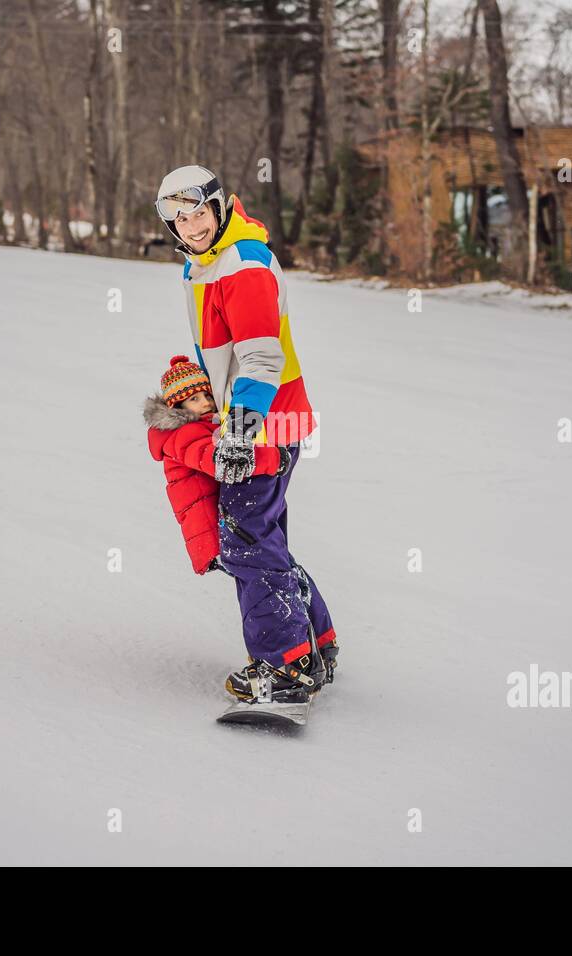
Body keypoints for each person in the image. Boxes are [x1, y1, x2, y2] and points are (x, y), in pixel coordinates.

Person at [153, 164, 338, 706]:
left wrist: (237, 431)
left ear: (220, 206)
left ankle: (286, 666)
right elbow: (225, 352)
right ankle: (315, 644)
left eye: (198, 213)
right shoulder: (205, 264)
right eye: (178, 219)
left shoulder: (242, 265)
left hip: (261, 423)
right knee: (263, 537)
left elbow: (260, 355)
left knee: (245, 541)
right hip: (262, 419)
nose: (190, 226)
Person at [143, 355, 288, 576]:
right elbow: (219, 460)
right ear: (177, 406)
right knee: (260, 572)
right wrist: (273, 458)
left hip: (214, 526)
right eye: (194, 399)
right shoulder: (182, 435)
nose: (205, 403)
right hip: (211, 533)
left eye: (207, 395)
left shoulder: (198, 426)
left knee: (266, 566)